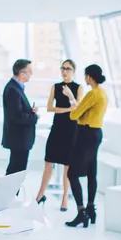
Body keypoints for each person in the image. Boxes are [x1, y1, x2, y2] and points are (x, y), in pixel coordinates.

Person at [35, 59, 83, 211]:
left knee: (67, 166)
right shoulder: (55, 87)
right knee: (48, 162)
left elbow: (78, 108)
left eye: (68, 69)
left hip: (72, 130)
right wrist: (67, 110)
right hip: (57, 128)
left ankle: (64, 198)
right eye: (62, 68)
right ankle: (40, 195)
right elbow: (50, 108)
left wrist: (70, 96)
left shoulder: (78, 88)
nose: (64, 71)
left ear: (73, 71)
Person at [63, 64, 108, 228]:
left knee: (72, 173)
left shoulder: (92, 94)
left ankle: (81, 211)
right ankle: (91, 208)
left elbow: (75, 114)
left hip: (85, 135)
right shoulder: (103, 93)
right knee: (91, 172)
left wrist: (73, 104)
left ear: (89, 76)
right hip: (96, 134)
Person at [1, 59, 39, 177]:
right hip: (18, 139)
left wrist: (29, 111)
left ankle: (10, 195)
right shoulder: (13, 90)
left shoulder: (16, 88)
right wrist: (34, 117)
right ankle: (8, 195)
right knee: (16, 171)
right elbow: (16, 116)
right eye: (29, 72)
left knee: (16, 170)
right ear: (22, 74)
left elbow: (18, 111)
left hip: (19, 139)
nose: (31, 74)